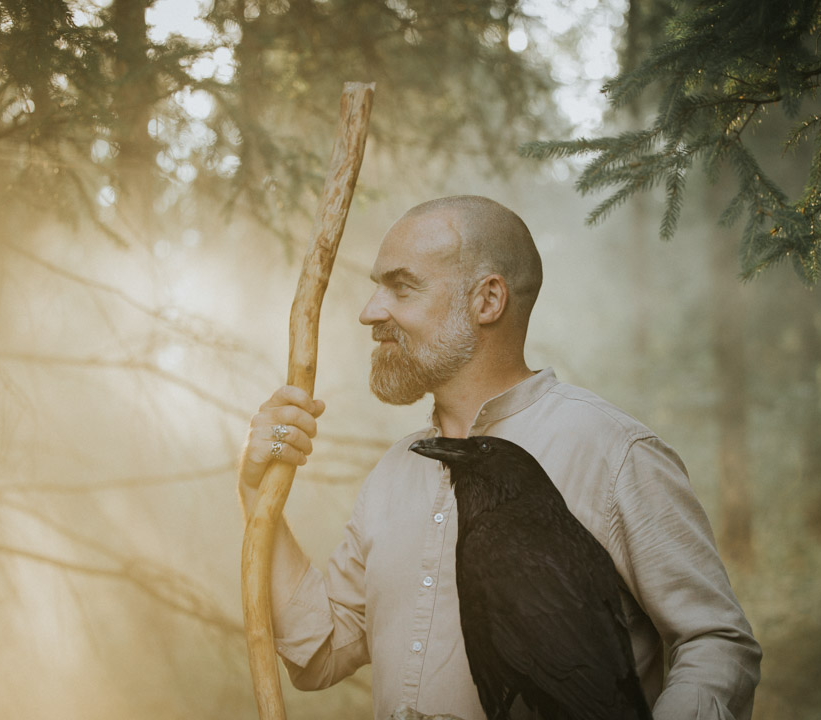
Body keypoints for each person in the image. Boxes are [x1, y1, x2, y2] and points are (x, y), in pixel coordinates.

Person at [237, 195, 762, 719]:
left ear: (487, 301)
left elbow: (714, 640)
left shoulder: (614, 453)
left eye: (401, 287)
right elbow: (319, 652)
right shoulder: (395, 473)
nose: (370, 312)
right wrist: (260, 496)